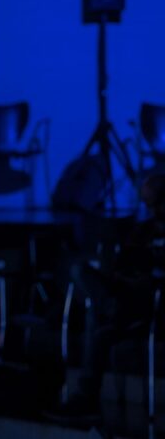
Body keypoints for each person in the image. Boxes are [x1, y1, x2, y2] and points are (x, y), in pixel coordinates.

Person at [49, 173, 165, 423]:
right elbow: (124, 265)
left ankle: (85, 398)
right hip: (125, 299)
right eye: (148, 204)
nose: (151, 209)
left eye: (154, 203)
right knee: (80, 272)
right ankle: (110, 308)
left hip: (152, 308)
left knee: (96, 320)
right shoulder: (142, 231)